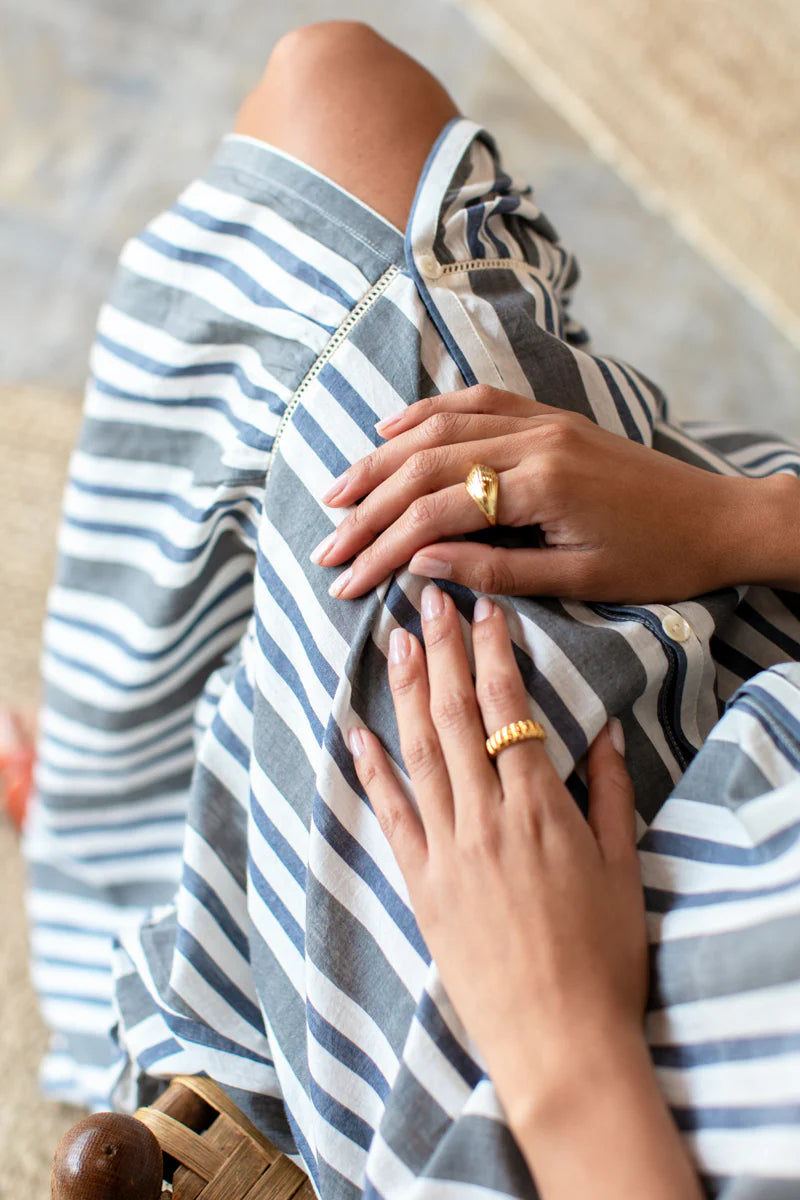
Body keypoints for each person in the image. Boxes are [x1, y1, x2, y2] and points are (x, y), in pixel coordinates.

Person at [24, 20, 800, 1199]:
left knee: (335, 123)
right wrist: (742, 525)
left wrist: (559, 1041)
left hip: (564, 1079)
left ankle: (135, 900)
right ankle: (155, 857)